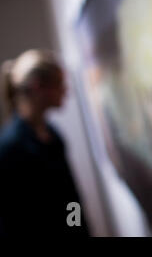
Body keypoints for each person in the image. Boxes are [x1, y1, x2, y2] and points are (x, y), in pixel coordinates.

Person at [0, 49, 89, 236]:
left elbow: (70, 199)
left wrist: (79, 229)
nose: (66, 91)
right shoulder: (9, 149)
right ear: (37, 87)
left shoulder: (53, 136)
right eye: (59, 84)